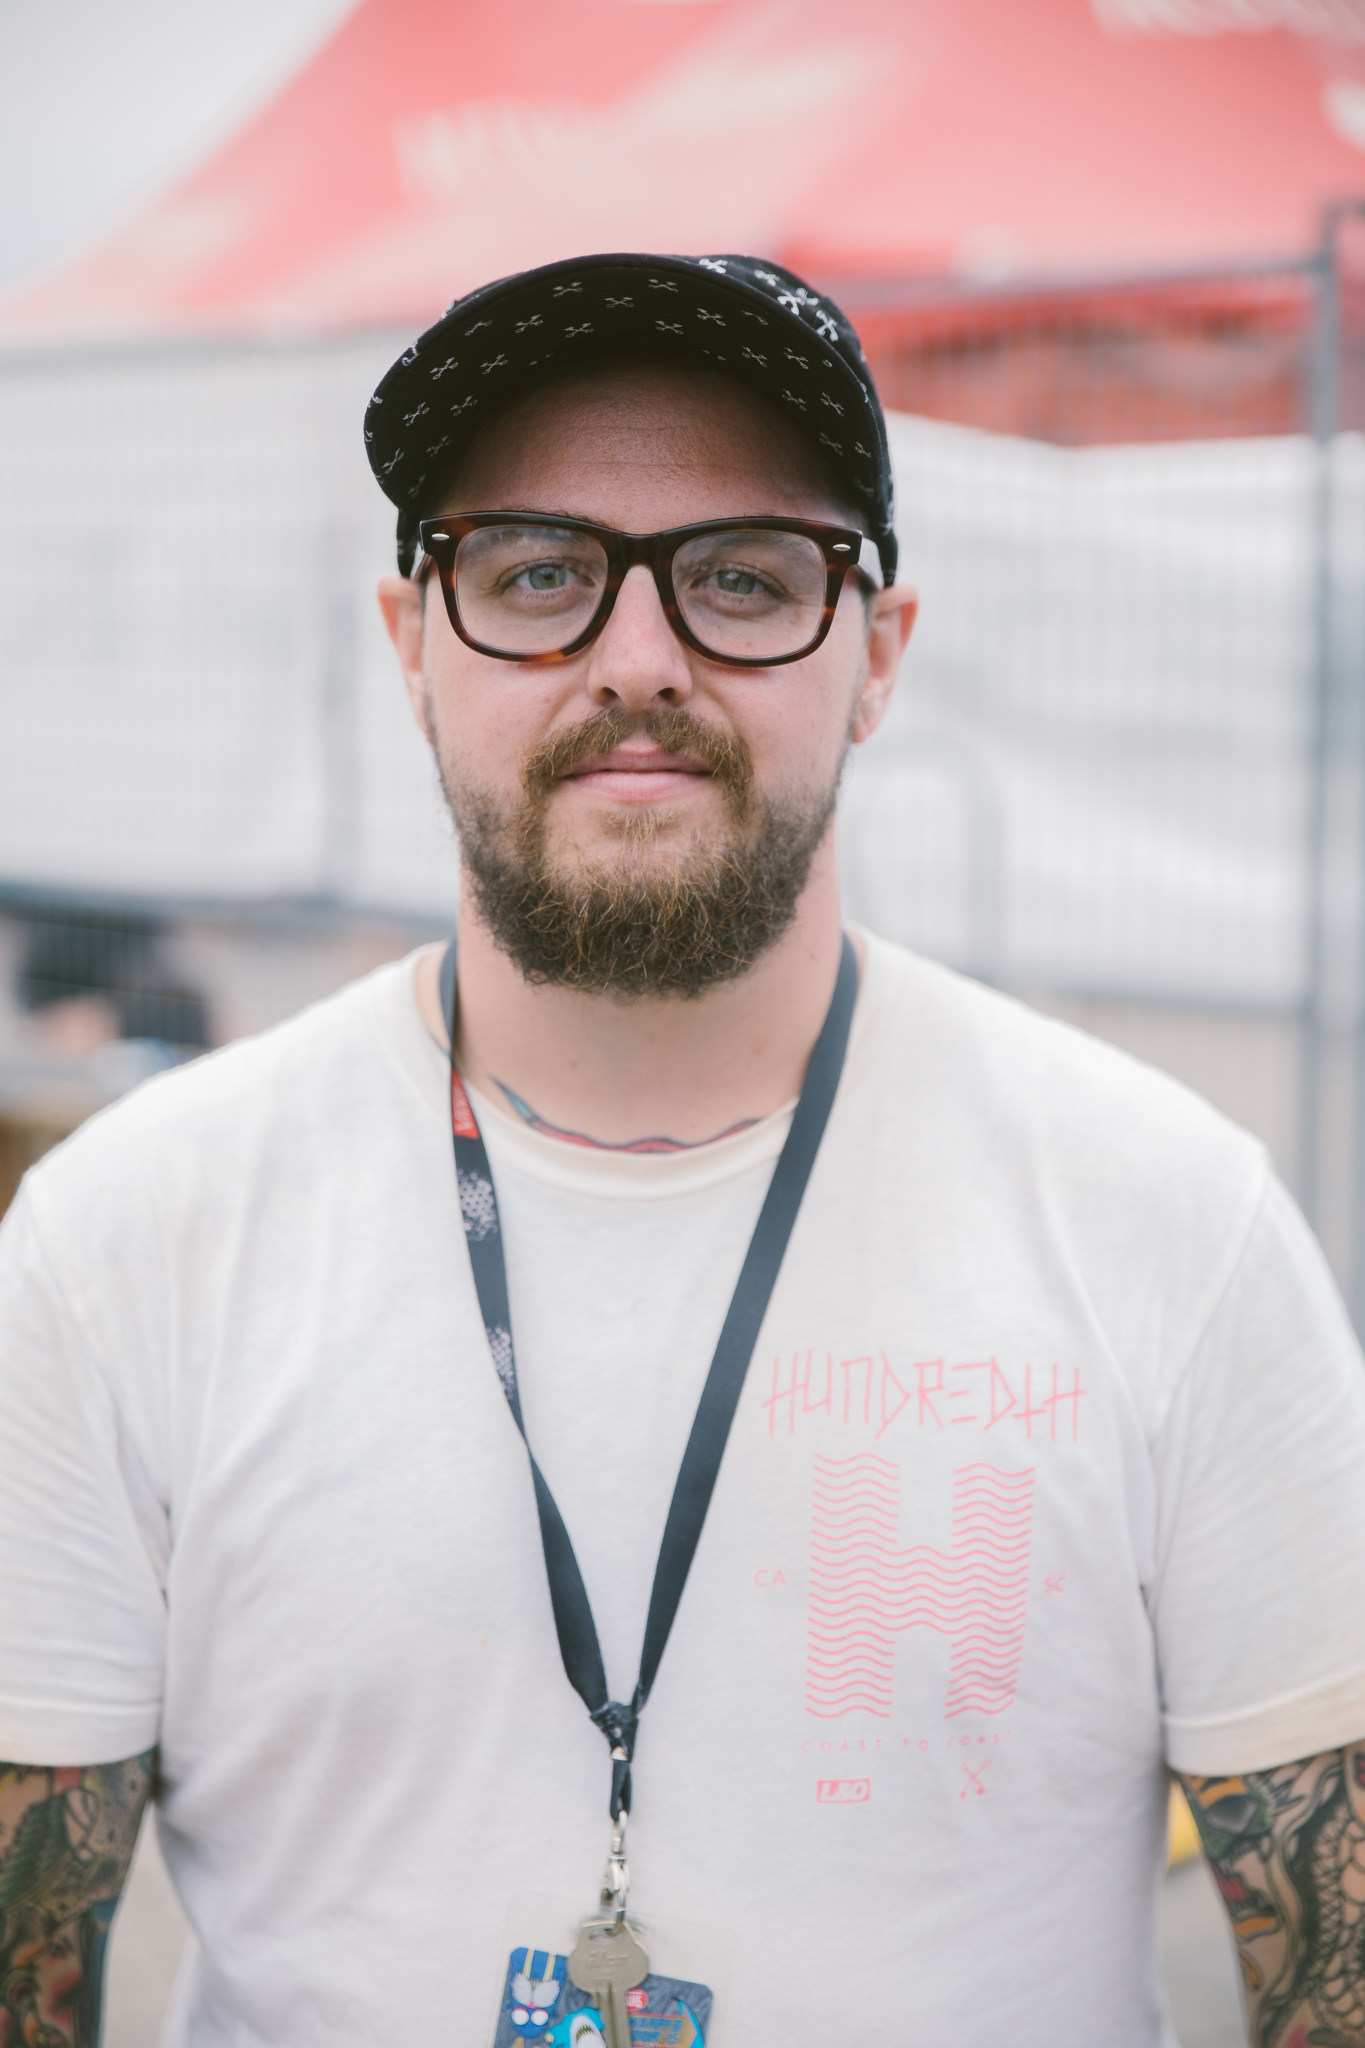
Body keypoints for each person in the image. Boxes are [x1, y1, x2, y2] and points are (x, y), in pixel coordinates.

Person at [1, 253, 1364, 2048]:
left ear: (875, 654)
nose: (636, 661)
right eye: (537, 574)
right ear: (412, 644)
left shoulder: (1172, 1226)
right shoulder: (124, 1241)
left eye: (740, 578)